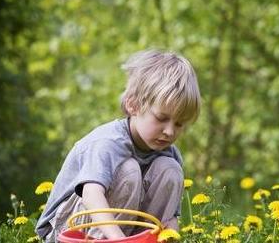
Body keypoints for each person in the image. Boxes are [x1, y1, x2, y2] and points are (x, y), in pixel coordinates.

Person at [35, 49, 201, 242]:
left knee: (170, 169)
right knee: (128, 171)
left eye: (179, 124)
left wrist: (171, 238)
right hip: (65, 230)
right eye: (161, 118)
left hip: (122, 231)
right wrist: (119, 240)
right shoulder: (108, 142)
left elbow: (169, 218)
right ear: (133, 105)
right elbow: (91, 194)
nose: (170, 131)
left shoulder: (169, 154)